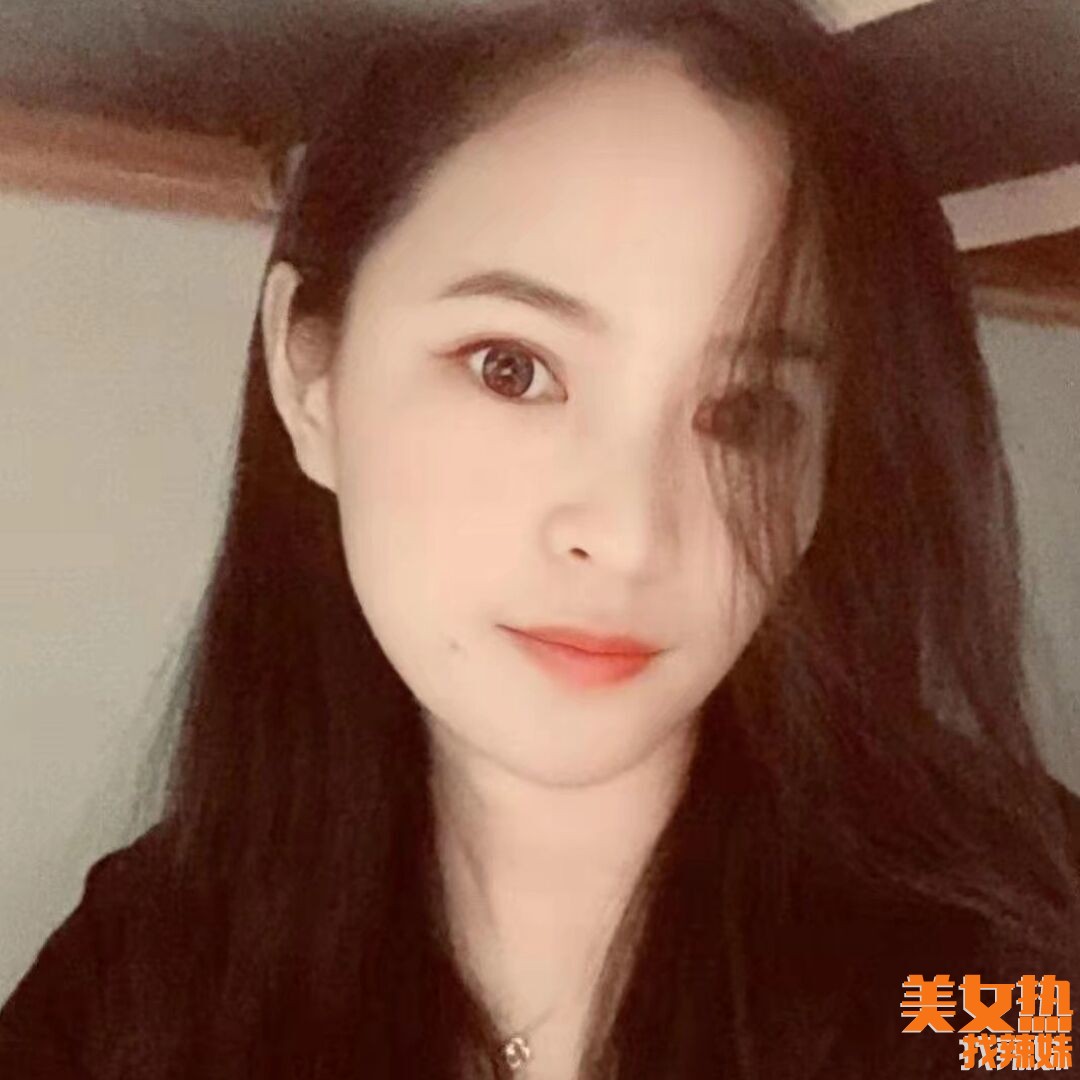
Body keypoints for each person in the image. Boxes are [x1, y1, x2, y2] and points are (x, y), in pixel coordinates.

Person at [2, 0, 1078, 1076]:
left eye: (746, 414)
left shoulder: (1008, 968)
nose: (629, 534)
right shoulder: (138, 987)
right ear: (310, 374)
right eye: (511, 368)